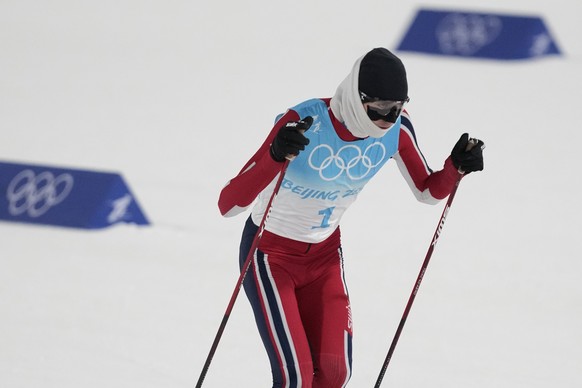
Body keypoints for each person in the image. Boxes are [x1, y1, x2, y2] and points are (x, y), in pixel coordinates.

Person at [217, 47, 484, 388]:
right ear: (358, 99)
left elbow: (427, 192)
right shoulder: (304, 122)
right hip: (269, 256)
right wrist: (275, 155)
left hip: (324, 258)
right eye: (381, 110)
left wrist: (456, 167)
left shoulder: (396, 132)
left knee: (334, 375)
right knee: (295, 378)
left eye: (399, 108)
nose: (389, 120)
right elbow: (229, 204)